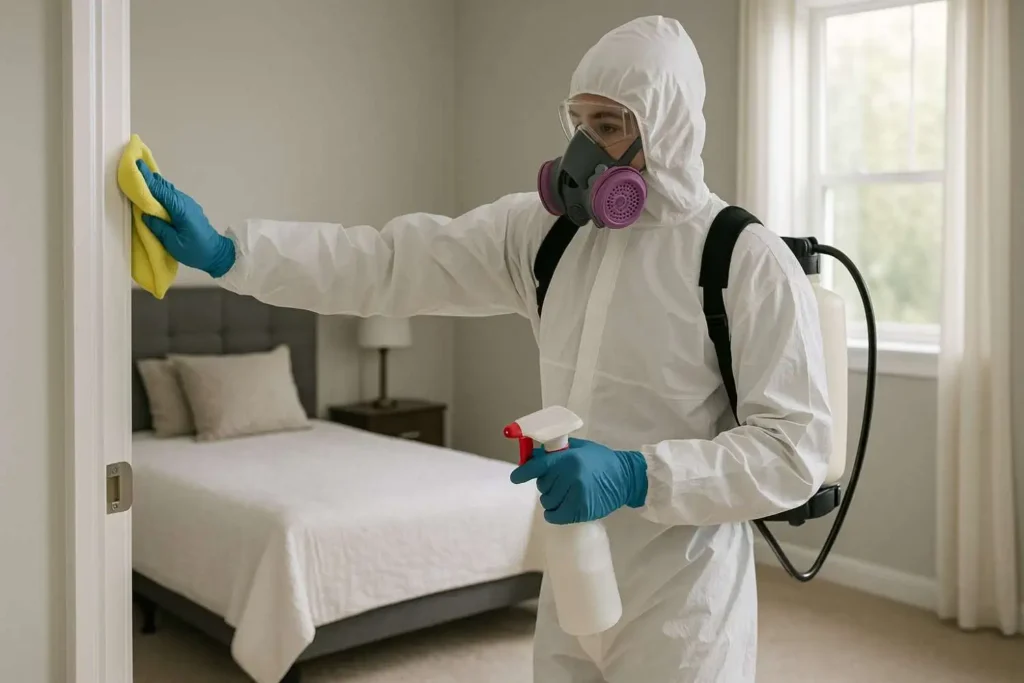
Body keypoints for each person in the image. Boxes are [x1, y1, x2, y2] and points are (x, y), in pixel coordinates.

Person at [136, 15, 832, 683]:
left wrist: (636, 474)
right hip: (572, 574)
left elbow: (794, 452)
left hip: (682, 603)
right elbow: (386, 262)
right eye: (579, 123)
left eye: (610, 126)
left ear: (668, 129)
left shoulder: (741, 258)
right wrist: (233, 254)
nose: (585, 150)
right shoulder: (548, 237)